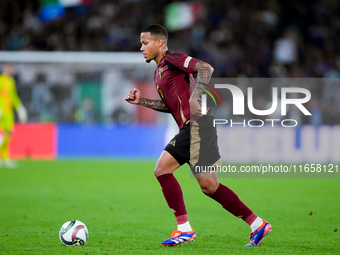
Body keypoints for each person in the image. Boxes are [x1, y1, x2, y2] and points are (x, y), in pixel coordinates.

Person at [125, 24, 271, 247]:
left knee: (162, 169)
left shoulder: (172, 58)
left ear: (160, 43)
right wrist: (141, 102)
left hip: (197, 124)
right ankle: (257, 224)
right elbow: (169, 105)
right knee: (210, 187)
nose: (142, 48)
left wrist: (197, 94)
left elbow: (206, 68)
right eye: (141, 43)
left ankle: (184, 229)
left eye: (145, 43)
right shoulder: (158, 72)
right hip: (198, 126)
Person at [0, 63, 27, 168]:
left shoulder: (11, 81)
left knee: (9, 134)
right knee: (2, 134)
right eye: (8, 68)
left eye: (11, 69)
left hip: (9, 112)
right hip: (1, 112)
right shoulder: (1, 80)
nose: (10, 70)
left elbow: (13, 96)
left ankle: (5, 158)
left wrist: (20, 107)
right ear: (4, 68)